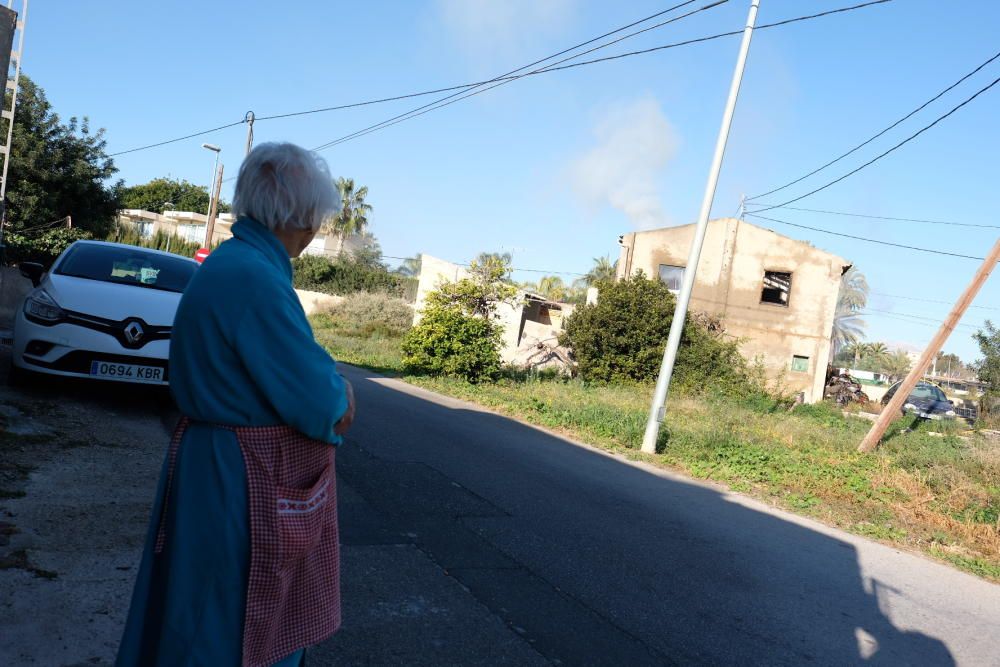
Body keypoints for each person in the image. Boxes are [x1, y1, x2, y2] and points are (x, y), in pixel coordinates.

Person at [117, 142, 355, 667]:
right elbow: (326, 404)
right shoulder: (255, 279)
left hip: (218, 468)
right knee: (229, 625)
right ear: (302, 218)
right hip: (238, 483)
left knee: (196, 610)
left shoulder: (234, 265)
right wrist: (343, 390)